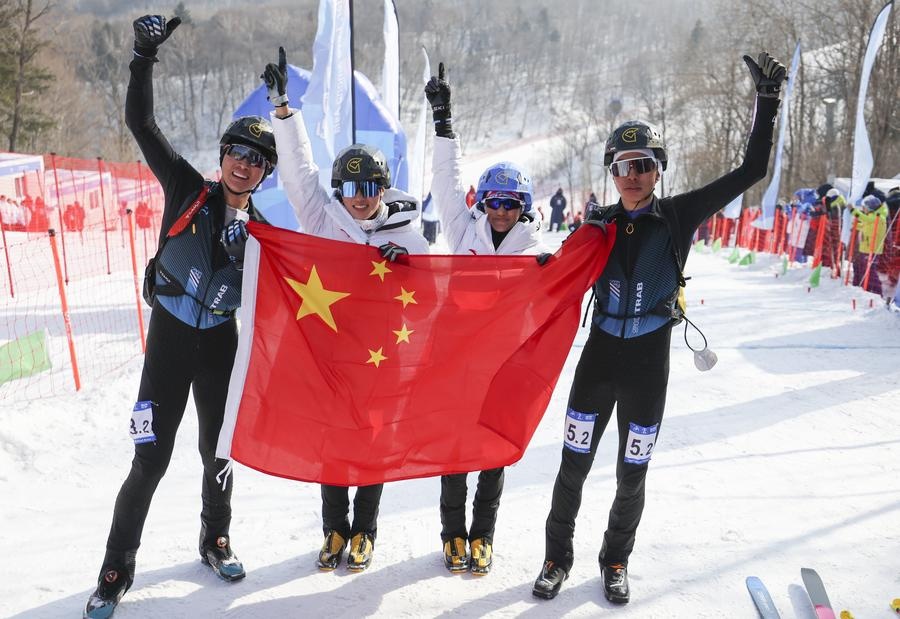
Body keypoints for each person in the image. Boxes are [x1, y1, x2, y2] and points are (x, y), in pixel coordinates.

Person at [532, 51, 786, 605]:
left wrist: (766, 103)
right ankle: (556, 558)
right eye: (623, 167)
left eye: (643, 165)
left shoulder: (678, 215)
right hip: (599, 360)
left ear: (658, 169)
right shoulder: (596, 225)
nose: (632, 176)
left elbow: (751, 172)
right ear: (612, 173)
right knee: (573, 466)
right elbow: (546, 275)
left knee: (632, 472)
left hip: (648, 366)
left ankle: (615, 561)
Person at [85, 15, 278, 617]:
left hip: (220, 344)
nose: (244, 163)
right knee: (149, 460)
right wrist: (143, 56)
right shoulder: (187, 188)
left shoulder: (267, 236)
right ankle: (116, 568)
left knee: (218, 453)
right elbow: (141, 123)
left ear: (265, 173)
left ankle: (214, 539)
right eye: (237, 152)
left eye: (257, 159)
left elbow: (307, 284)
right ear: (222, 157)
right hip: (168, 343)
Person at [262, 47, 429, 573]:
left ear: (384, 187)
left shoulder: (408, 233)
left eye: (369, 188)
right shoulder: (322, 218)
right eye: (351, 189)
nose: (360, 199)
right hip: (331, 351)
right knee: (332, 438)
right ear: (340, 190)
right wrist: (284, 113)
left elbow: (429, 296)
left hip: (381, 356)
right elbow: (299, 173)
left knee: (373, 441)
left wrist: (410, 269)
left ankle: (365, 531)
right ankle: (334, 528)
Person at [426, 62, 547, 575]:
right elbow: (446, 181)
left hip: (503, 362)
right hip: (455, 354)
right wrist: (444, 121)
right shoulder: (463, 228)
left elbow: (560, 284)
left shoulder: (533, 246)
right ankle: (453, 534)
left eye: (511, 204)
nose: (500, 211)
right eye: (494, 201)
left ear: (524, 207)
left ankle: (483, 535)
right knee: (454, 447)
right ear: (483, 202)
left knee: (493, 450)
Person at [851, 194, 888, 295]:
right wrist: (855, 225)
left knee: (870, 271)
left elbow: (865, 219)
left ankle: (876, 291)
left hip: (872, 249)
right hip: (866, 247)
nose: (863, 210)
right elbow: (865, 225)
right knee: (863, 268)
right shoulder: (873, 217)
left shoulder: (878, 216)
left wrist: (853, 211)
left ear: (870, 208)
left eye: (864, 208)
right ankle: (865, 287)